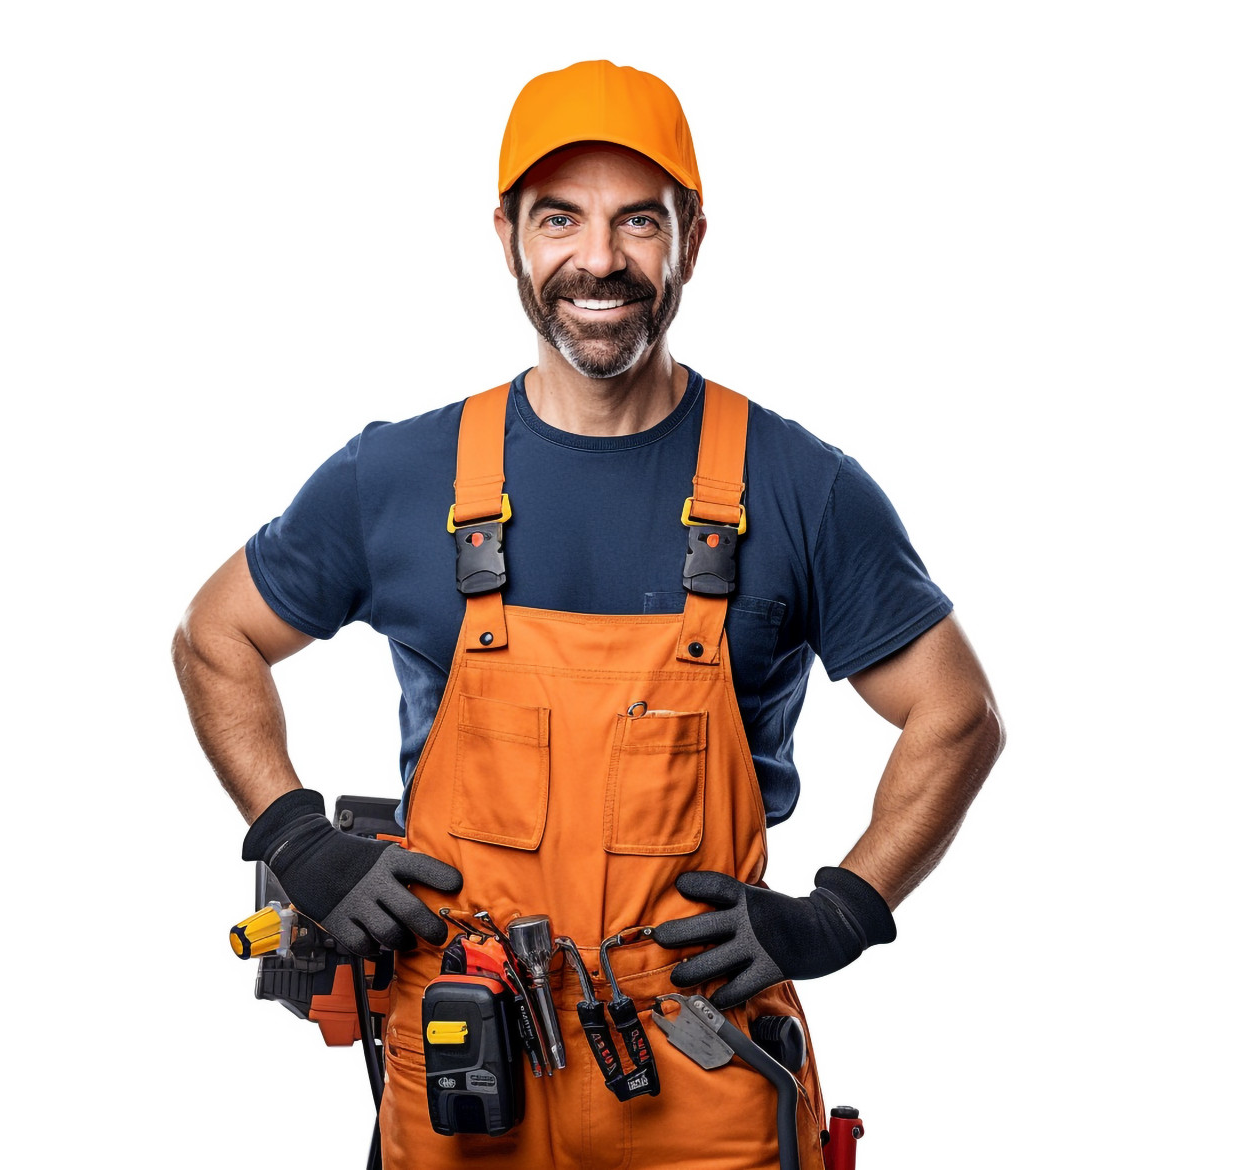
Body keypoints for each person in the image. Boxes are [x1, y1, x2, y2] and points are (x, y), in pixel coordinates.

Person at [173, 59, 1004, 1170]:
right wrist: (294, 839)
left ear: (692, 240)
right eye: (559, 218)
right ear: (509, 235)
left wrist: (839, 912)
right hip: (468, 1056)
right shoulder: (400, 474)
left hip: (698, 1060)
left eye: (638, 223)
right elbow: (215, 636)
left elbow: (955, 713)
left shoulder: (798, 487)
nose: (598, 259)